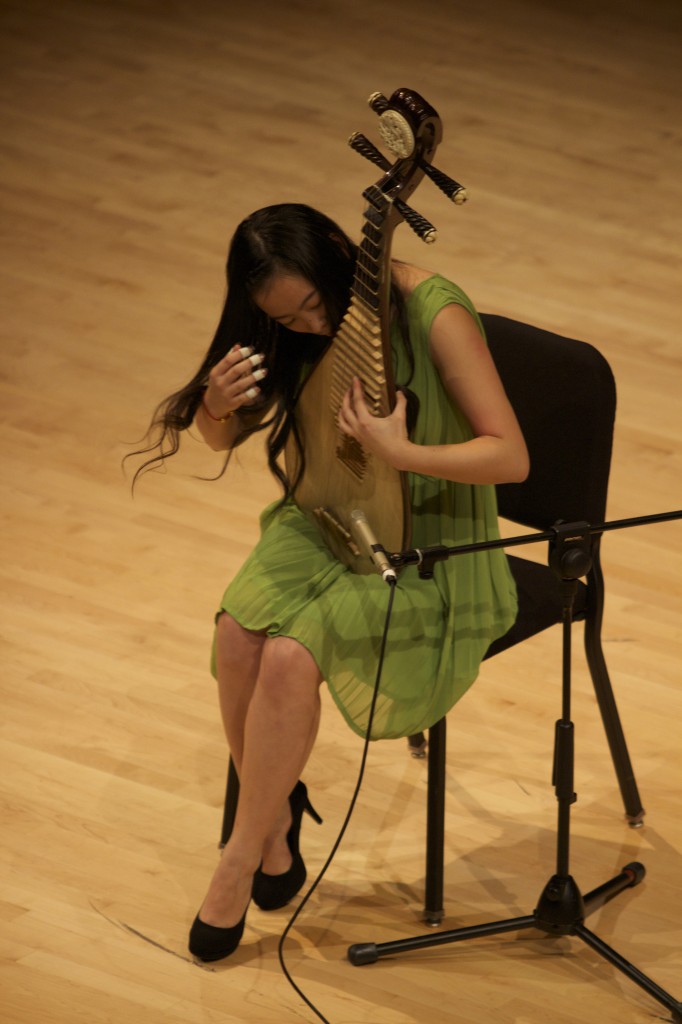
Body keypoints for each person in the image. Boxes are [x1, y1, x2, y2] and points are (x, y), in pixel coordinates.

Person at [131, 202, 529, 962]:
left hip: (431, 543)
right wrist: (214, 406)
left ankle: (240, 859)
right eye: (288, 317)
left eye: (317, 303)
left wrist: (401, 451)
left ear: (343, 259)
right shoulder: (282, 322)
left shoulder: (433, 313)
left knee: (289, 657)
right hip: (329, 516)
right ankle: (274, 826)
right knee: (237, 630)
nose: (309, 325)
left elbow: (512, 458)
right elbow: (220, 432)